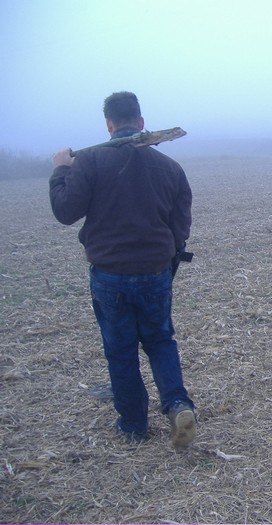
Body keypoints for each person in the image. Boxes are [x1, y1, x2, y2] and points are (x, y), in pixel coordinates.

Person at [49, 91, 196, 448]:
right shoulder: (170, 168)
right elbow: (181, 223)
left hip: (109, 274)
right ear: (142, 123)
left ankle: (133, 425)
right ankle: (177, 405)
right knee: (160, 340)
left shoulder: (90, 161)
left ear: (109, 124)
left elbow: (65, 212)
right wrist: (169, 255)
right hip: (155, 271)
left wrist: (59, 171)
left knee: (121, 349)